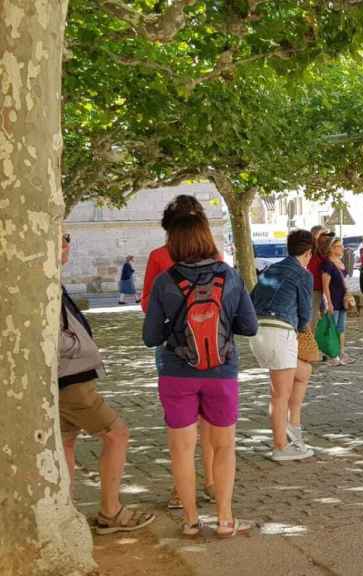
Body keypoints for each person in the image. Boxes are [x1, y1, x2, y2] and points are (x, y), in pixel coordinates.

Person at [143, 214, 258, 537]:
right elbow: (250, 326)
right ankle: (224, 518)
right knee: (223, 447)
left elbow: (150, 337)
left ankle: (191, 521)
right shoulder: (230, 276)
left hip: (176, 375)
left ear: (174, 242)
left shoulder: (165, 281)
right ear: (207, 238)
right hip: (221, 372)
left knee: (181, 449)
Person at [59, 233, 156, 534]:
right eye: (62, 238)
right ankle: (111, 512)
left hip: (65, 376)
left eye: (67, 237)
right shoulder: (40, 283)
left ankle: (65, 512)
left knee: (66, 441)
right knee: (116, 434)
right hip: (70, 378)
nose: (66, 244)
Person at [139, 194, 218, 510]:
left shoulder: (163, 255)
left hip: (184, 344)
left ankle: (198, 484)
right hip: (198, 343)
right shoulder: (161, 256)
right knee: (200, 420)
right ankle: (203, 482)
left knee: (184, 421)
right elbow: (147, 299)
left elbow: (146, 302)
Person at [249, 229, 317, 462]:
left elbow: (252, 298)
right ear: (308, 252)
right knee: (279, 395)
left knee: (304, 371)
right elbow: (305, 312)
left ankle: (293, 425)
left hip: (259, 332)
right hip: (280, 332)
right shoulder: (303, 274)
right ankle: (280, 446)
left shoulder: (272, 268)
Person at [321, 235, 353, 366]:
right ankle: (331, 355)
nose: (342, 248)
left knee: (341, 328)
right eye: (340, 246)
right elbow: (325, 286)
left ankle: (341, 352)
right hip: (333, 300)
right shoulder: (327, 264)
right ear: (332, 248)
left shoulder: (341, 263)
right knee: (331, 329)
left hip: (342, 300)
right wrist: (329, 303)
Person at [307, 226, 328, 356]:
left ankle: (316, 345)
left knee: (320, 317)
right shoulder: (311, 249)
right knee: (312, 317)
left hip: (321, 289)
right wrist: (317, 234)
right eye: (323, 235)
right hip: (313, 288)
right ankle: (309, 347)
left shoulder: (321, 251)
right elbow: (312, 242)